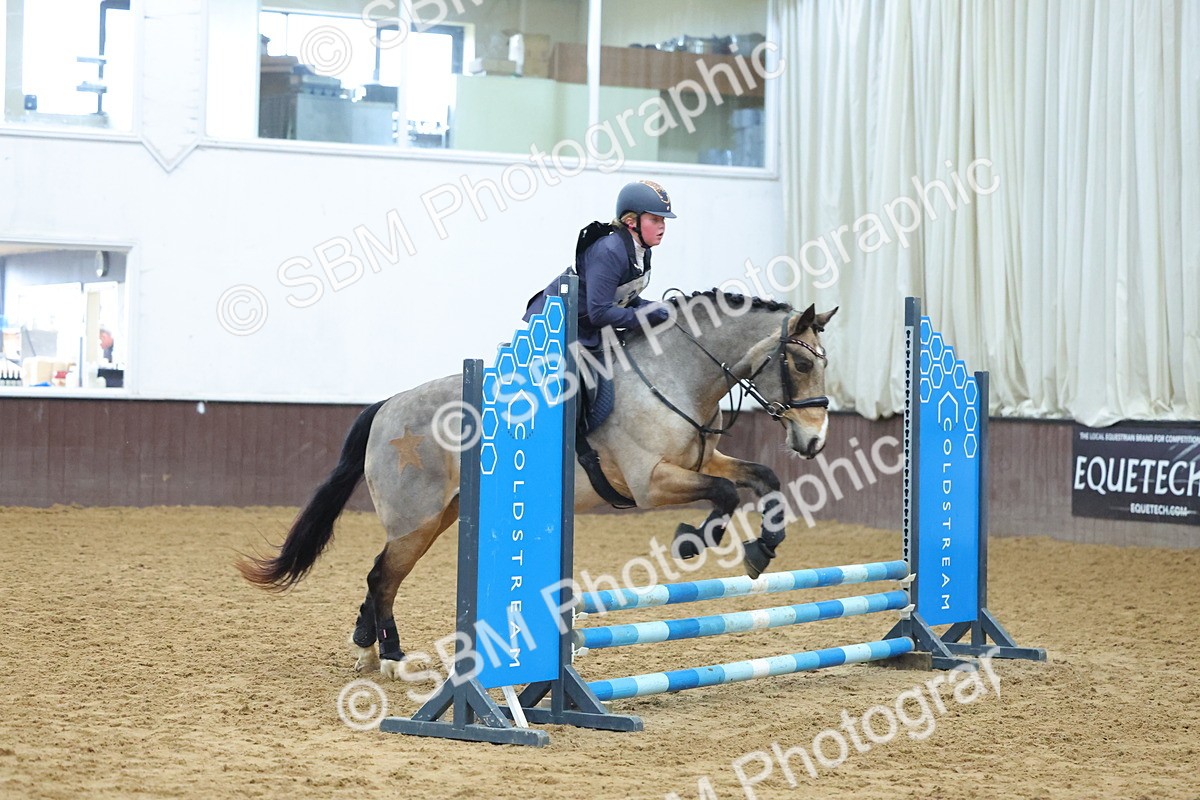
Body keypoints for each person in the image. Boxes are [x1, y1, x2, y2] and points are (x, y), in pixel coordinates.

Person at [524, 179, 676, 350]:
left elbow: (623, 296)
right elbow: (600, 313)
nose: (662, 227)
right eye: (654, 220)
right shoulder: (609, 251)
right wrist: (646, 315)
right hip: (556, 328)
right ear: (631, 222)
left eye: (663, 220)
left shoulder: (643, 251)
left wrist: (656, 307)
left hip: (587, 327)